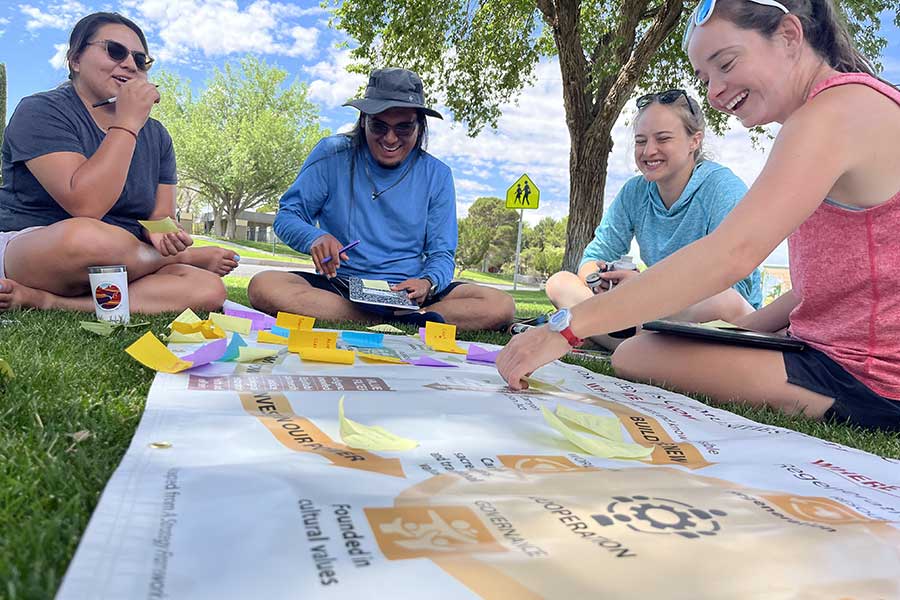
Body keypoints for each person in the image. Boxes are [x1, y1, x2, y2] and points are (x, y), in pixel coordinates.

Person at [498, 0, 900, 431]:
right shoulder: (843, 106)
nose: (714, 92)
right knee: (644, 346)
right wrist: (744, 331)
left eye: (725, 64)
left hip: (870, 379)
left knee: (637, 355)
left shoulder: (831, 113)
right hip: (833, 353)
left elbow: (731, 254)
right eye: (706, 78)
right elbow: (824, 288)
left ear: (788, 35)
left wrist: (566, 329)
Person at [0, 12, 238, 315]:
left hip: (124, 260)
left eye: (141, 60)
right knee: (90, 238)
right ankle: (180, 261)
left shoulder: (157, 135)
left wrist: (162, 233)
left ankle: (50, 301)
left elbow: (161, 216)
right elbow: (85, 205)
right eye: (115, 51)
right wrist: (127, 123)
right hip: (41, 245)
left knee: (208, 289)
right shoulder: (41, 110)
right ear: (74, 59)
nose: (129, 64)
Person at [248, 68, 515, 330]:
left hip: (411, 293)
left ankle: (398, 315)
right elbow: (287, 215)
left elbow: (442, 252)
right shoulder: (331, 154)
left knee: (500, 305)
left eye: (403, 128)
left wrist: (428, 282)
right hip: (342, 287)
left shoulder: (438, 175)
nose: (389, 138)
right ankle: (395, 321)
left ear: (419, 126)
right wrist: (315, 238)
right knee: (263, 286)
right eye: (379, 125)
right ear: (363, 120)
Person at [544, 89, 761, 349]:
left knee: (721, 301)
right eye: (640, 141)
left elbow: (736, 287)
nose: (649, 151)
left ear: (695, 141)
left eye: (663, 139)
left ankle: (616, 338)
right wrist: (599, 280)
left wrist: (646, 290)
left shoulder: (722, 188)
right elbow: (592, 258)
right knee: (560, 284)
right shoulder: (634, 192)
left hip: (709, 313)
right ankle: (639, 342)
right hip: (646, 310)